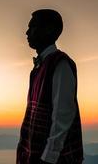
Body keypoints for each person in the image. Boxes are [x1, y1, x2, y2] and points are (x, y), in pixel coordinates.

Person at [16, 9, 84, 164]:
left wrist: (48, 159)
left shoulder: (60, 64)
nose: (27, 32)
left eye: (32, 26)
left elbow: (62, 117)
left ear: (49, 30)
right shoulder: (39, 68)